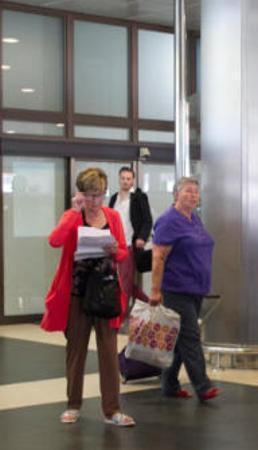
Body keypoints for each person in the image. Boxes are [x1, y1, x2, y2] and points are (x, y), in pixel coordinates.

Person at [41, 167, 135, 427]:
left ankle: (112, 410)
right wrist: (73, 212)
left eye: (100, 195)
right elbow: (55, 241)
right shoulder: (73, 216)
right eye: (91, 195)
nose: (95, 201)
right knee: (76, 351)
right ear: (81, 194)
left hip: (105, 291)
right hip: (77, 293)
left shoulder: (112, 216)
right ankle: (73, 405)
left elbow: (123, 254)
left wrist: (115, 250)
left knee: (108, 351)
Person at [150, 177, 219, 401]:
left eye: (196, 192)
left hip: (196, 288)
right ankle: (203, 385)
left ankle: (169, 383)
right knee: (190, 336)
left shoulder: (194, 219)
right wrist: (155, 290)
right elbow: (158, 257)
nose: (192, 195)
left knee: (180, 339)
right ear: (176, 194)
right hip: (176, 288)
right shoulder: (168, 221)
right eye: (187, 191)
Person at [109, 166, 152, 305]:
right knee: (121, 282)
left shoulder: (139, 198)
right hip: (114, 247)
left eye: (128, 179)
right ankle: (152, 305)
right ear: (119, 179)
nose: (125, 181)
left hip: (129, 246)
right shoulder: (114, 198)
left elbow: (147, 220)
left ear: (133, 181)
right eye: (123, 178)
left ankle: (119, 319)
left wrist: (142, 238)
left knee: (124, 283)